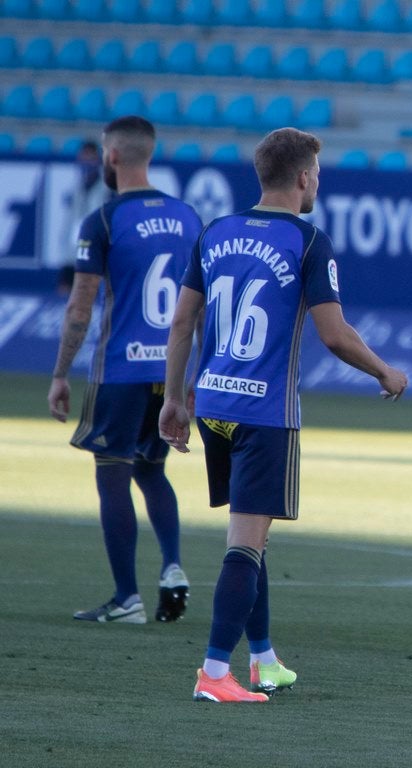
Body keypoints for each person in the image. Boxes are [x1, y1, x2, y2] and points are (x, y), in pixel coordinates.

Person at [158, 127, 408, 703]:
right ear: (302, 178)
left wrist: (175, 398)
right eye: (317, 174)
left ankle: (263, 659)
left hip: (213, 403)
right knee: (245, 544)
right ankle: (214, 674)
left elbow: (181, 323)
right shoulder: (308, 240)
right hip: (264, 413)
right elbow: (335, 334)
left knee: (254, 533)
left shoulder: (215, 232)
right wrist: (385, 372)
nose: (318, 182)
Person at [48, 116, 202, 625]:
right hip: (170, 370)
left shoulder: (104, 220)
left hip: (119, 368)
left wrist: (59, 373)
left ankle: (126, 597)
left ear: (111, 157)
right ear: (149, 155)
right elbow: (201, 308)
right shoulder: (188, 218)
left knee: (112, 475)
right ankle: (174, 565)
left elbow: (79, 307)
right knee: (152, 470)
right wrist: (191, 379)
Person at [54, 140, 113, 295]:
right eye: (83, 157)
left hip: (96, 247)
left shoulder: (106, 189)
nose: (85, 162)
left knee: (91, 291)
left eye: (90, 157)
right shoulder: (76, 187)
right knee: (66, 288)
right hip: (74, 248)